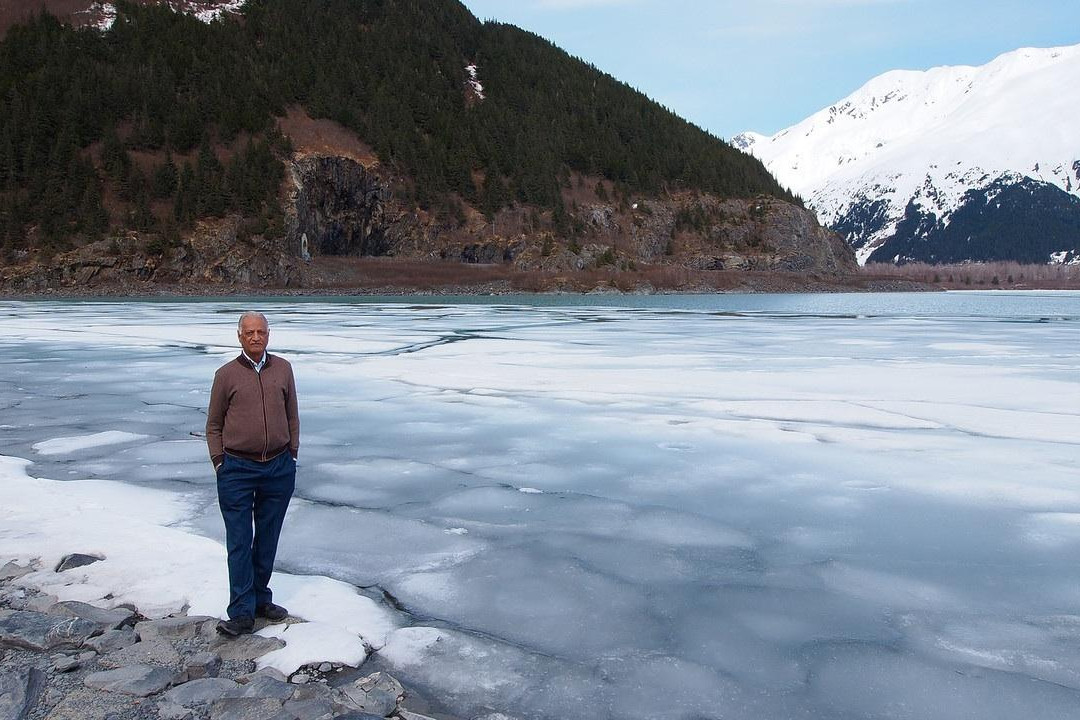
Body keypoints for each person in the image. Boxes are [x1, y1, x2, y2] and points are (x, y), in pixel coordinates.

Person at [205, 311, 299, 636]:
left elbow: (292, 415)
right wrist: (219, 462)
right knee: (240, 541)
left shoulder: (283, 369)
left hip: (278, 466)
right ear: (240, 336)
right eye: (250, 332)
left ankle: (260, 599)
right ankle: (241, 612)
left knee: (268, 538)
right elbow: (214, 424)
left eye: (261, 332)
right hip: (237, 468)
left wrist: (292, 453)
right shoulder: (226, 375)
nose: (256, 337)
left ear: (268, 335)